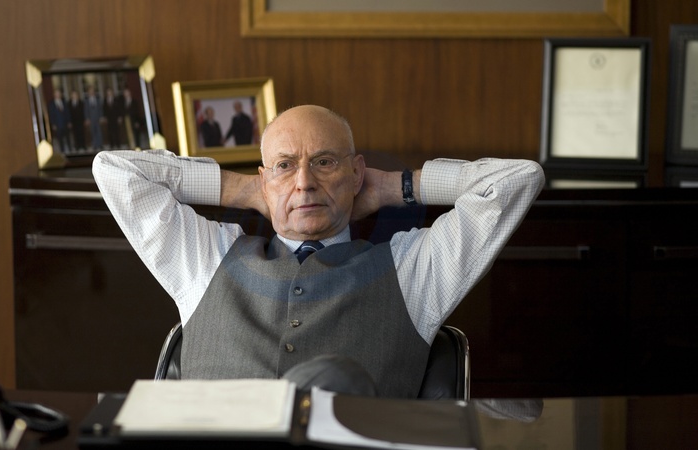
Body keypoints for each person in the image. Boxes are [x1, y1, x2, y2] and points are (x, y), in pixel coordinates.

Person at [92, 105, 544, 398]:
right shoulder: (205, 259)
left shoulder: (412, 270)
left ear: (356, 173)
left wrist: (395, 187)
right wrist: (242, 189)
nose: (305, 182)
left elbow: (516, 179)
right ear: (264, 179)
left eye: (325, 162)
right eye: (285, 166)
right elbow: (114, 170)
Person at [47, 89, 71, 153]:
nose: (58, 95)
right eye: (56, 94)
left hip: (65, 123)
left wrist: (69, 121)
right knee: (60, 138)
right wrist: (53, 124)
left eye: (59, 93)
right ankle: (62, 150)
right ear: (54, 95)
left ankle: (70, 149)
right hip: (57, 124)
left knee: (68, 137)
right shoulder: (51, 104)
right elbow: (51, 115)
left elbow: (67, 113)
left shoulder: (64, 102)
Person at [84, 85, 104, 150]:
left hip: (97, 118)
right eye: (90, 91)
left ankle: (100, 144)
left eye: (92, 91)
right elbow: (86, 110)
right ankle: (95, 145)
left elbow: (100, 109)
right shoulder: (86, 101)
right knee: (93, 132)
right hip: (91, 119)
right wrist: (87, 118)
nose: (91, 92)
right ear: (88, 92)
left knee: (99, 131)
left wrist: (101, 117)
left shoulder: (97, 99)